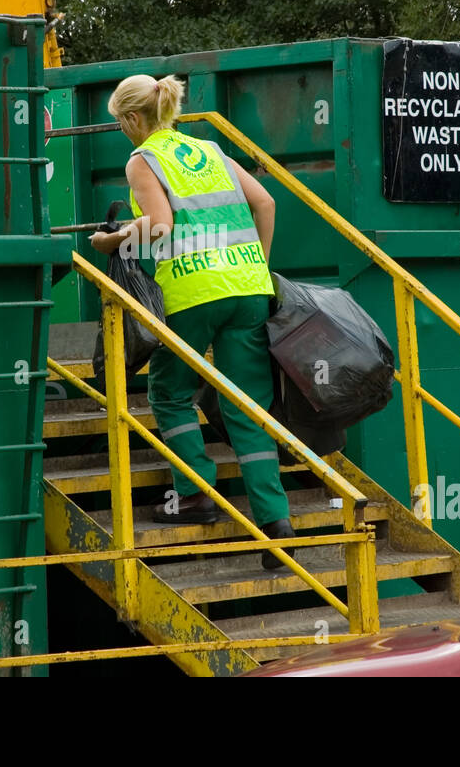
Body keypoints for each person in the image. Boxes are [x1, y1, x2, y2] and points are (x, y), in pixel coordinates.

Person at [89, 74, 295, 570]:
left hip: (192, 291)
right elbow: (265, 202)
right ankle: (276, 524)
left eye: (120, 122)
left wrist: (110, 242)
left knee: (169, 391)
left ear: (134, 119)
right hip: (248, 288)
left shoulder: (143, 160)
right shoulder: (208, 149)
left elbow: (161, 226)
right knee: (247, 406)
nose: (121, 130)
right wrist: (257, 269)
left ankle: (196, 493)